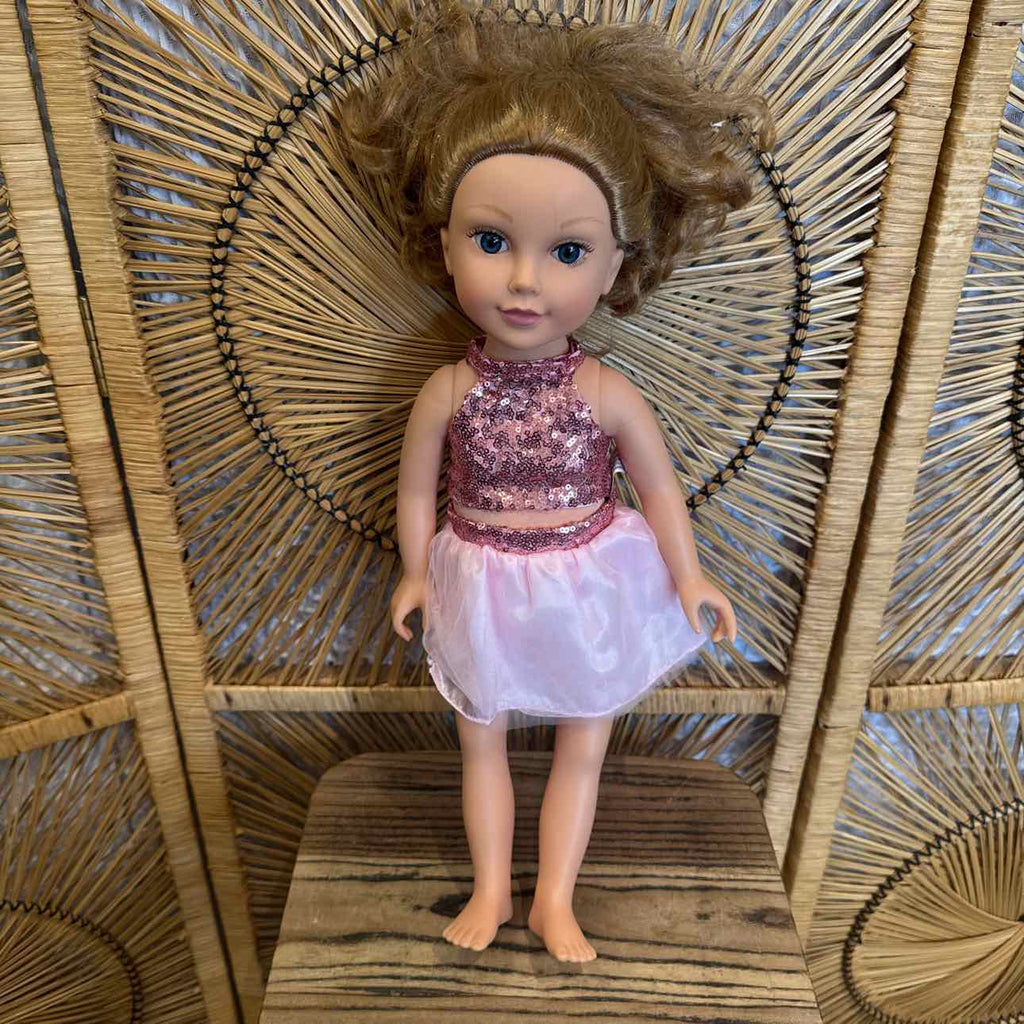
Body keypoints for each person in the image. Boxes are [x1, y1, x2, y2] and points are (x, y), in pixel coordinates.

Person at [340, 0, 772, 962]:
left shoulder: (609, 394)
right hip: (479, 577)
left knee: (585, 740)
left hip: (591, 582)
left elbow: (660, 491)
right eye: (492, 241)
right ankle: (494, 886)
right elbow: (415, 492)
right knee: (480, 736)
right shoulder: (447, 391)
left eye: (567, 251)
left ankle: (555, 899)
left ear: (615, 264)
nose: (525, 281)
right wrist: (414, 571)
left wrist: (689, 574)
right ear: (445, 244)